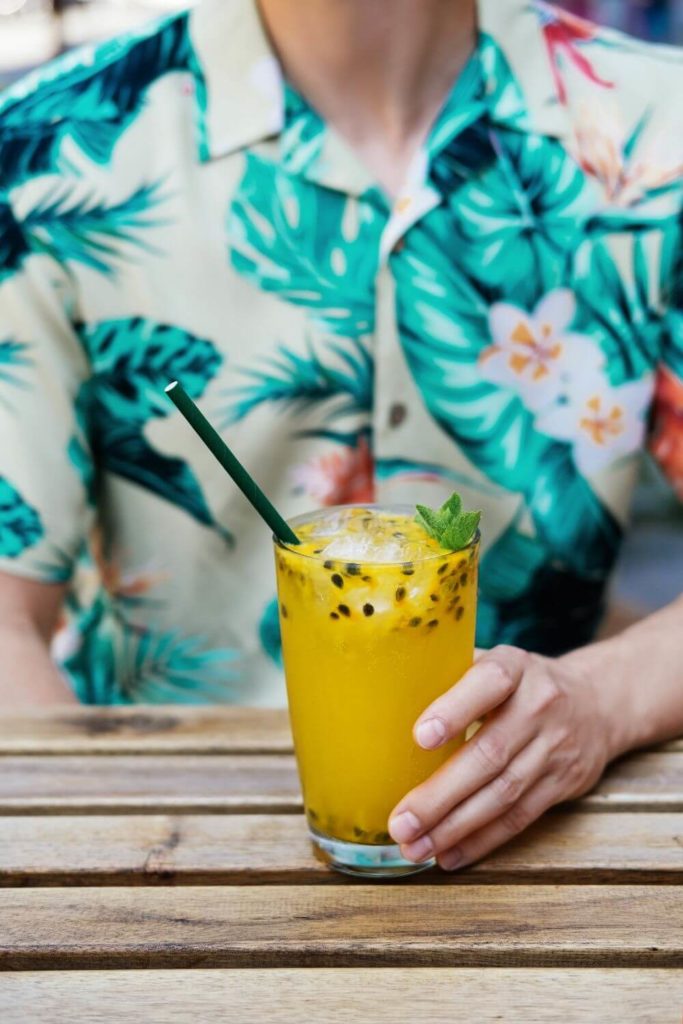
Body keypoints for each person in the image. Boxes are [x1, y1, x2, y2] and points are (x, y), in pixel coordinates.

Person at [0, 0, 681, 870]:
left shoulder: (661, 130)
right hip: (167, 855)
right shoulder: (47, 155)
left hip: (549, 845)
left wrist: (600, 699)